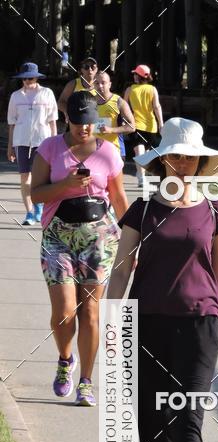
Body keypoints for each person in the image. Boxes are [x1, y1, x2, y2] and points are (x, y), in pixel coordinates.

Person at [106, 117, 218, 442]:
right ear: (163, 159)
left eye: (191, 157)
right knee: (152, 414)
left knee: (189, 415)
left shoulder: (216, 210)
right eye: (176, 155)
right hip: (146, 323)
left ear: (200, 164)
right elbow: (121, 269)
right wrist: (114, 324)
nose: (183, 163)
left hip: (202, 323)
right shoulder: (142, 210)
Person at [30, 91, 128, 407]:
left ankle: (86, 381)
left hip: (99, 237)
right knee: (64, 313)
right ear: (67, 119)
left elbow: (119, 199)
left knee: (90, 313)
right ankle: (65, 359)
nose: (84, 129)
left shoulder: (109, 154)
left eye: (89, 123)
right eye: (78, 123)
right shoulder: (49, 148)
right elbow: (37, 194)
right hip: (57, 237)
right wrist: (67, 185)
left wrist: (132, 244)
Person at [7, 62, 58, 225]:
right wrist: (10, 147)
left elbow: (52, 120)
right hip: (21, 140)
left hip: (42, 140)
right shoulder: (16, 96)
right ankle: (29, 212)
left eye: (30, 78)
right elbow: (12, 122)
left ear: (36, 77)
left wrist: (55, 143)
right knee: (24, 177)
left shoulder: (47, 93)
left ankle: (40, 206)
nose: (28, 81)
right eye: (24, 78)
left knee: (41, 176)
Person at [124, 65, 163, 187]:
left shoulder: (130, 90)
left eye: (135, 74)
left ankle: (141, 176)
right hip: (151, 125)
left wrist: (125, 119)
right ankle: (141, 177)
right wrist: (161, 123)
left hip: (135, 124)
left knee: (141, 152)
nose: (134, 76)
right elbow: (157, 107)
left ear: (139, 76)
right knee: (143, 152)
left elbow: (124, 105)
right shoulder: (152, 89)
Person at [93, 70, 136, 158]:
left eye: (103, 83)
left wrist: (111, 130)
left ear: (109, 84)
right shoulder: (89, 101)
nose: (100, 86)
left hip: (114, 152)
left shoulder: (119, 102)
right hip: (93, 152)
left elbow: (132, 127)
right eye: (96, 83)